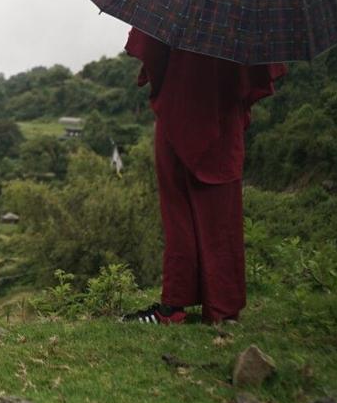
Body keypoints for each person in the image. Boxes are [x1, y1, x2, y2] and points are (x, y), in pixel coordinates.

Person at [121, 27, 286, 325]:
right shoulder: (246, 11)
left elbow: (150, 53)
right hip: (222, 120)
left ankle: (173, 307)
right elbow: (256, 75)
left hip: (178, 111)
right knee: (221, 217)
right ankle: (223, 311)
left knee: (178, 215)